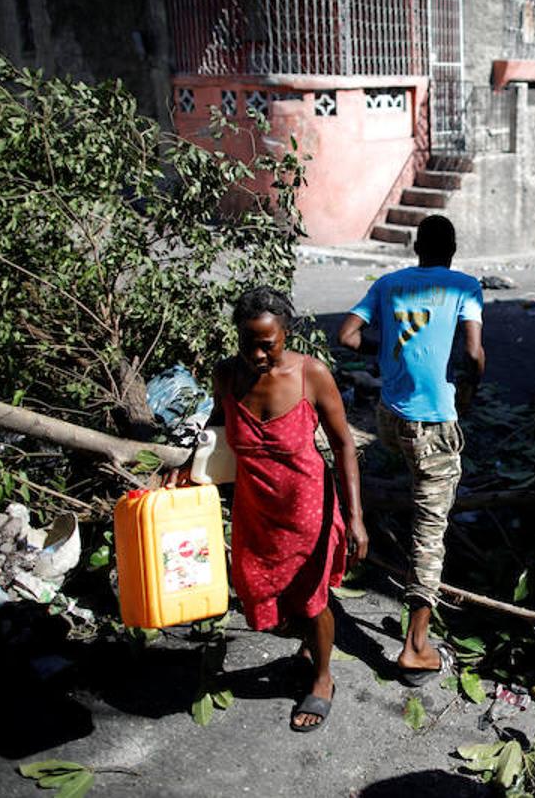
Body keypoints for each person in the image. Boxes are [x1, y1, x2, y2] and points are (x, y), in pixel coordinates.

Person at [213, 287, 369, 733]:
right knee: (257, 597)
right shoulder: (227, 375)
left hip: (307, 510)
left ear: (287, 334)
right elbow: (216, 424)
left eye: (268, 343)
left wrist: (355, 518)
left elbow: (343, 445)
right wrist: (187, 466)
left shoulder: (311, 374)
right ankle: (308, 644)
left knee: (311, 597)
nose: (257, 354)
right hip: (254, 512)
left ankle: (322, 679)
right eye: (248, 343)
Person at [337, 215, 485, 686]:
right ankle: (415, 647)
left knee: (412, 476)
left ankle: (385, 518)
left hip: (390, 417)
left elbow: (346, 337)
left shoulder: (389, 283)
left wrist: (388, 353)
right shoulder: (465, 286)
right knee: (430, 530)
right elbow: (474, 354)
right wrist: (469, 392)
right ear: (453, 248)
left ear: (416, 246)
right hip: (432, 421)